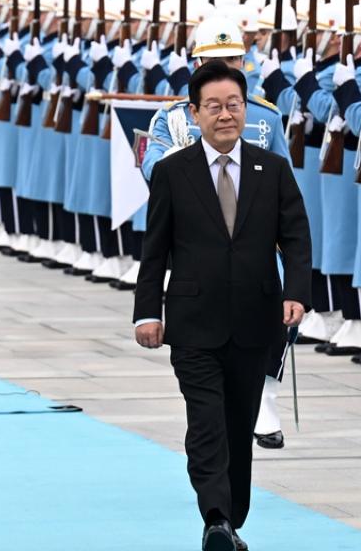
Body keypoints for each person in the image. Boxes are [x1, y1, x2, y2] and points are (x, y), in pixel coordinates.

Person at [133, 60, 312, 551]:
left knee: (237, 425)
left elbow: (297, 237)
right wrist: (147, 312)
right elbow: (155, 249)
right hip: (193, 323)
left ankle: (231, 519)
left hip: (256, 321)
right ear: (194, 114)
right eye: (213, 106)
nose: (226, 115)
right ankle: (214, 517)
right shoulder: (172, 172)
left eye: (234, 105)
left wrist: (296, 293)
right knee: (206, 423)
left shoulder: (271, 170)